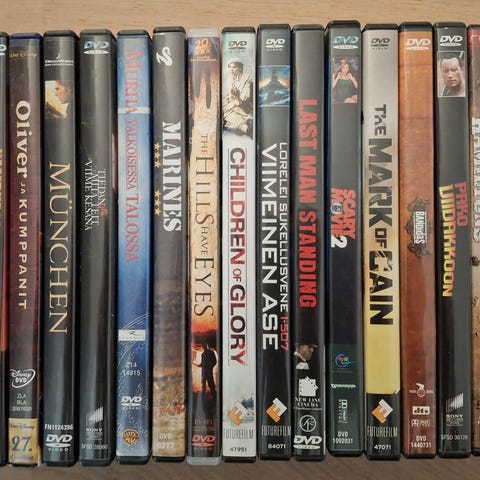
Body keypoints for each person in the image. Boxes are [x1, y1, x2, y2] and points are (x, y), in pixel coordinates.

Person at [223, 58, 253, 136]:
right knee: (221, 109)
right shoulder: (229, 80)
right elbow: (229, 95)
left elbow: (245, 96)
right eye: (230, 67)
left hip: (244, 105)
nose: (231, 70)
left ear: (240, 68)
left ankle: (245, 126)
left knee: (226, 115)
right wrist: (226, 103)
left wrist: (232, 104)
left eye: (234, 67)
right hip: (232, 104)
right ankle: (245, 127)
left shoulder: (247, 78)